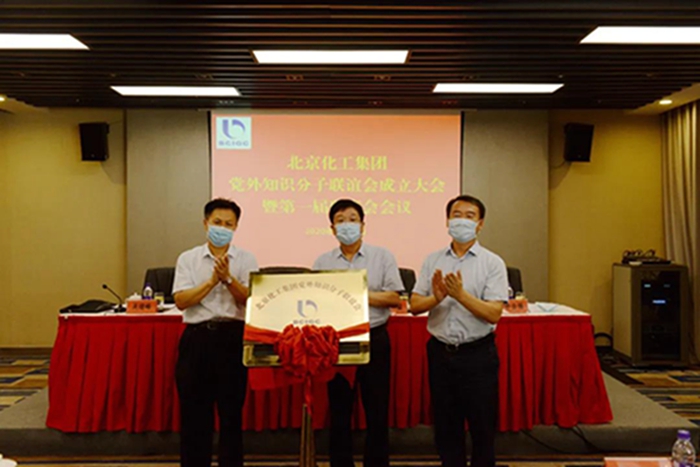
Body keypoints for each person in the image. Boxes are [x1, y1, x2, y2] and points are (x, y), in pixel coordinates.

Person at [410, 195, 508, 467]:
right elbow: (415, 306)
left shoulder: (492, 263)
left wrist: (460, 295)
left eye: (469, 215)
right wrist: (437, 297)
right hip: (440, 354)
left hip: (477, 355)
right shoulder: (433, 259)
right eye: (456, 214)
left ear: (480, 224)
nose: (461, 220)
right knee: (446, 428)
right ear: (447, 221)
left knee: (482, 427)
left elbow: (494, 313)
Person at [313, 198, 404, 467]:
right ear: (332, 228)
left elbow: (394, 298)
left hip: (374, 337)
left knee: (377, 409)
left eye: (352, 220)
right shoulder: (322, 261)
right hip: (338, 342)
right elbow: (318, 301)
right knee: (339, 410)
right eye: (340, 221)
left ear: (363, 225)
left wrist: (355, 293)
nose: (347, 225)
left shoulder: (382, 256)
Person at [172, 198, 258, 467]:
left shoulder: (246, 259)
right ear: (205, 223)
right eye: (217, 222)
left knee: (231, 415)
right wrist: (212, 282)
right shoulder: (188, 258)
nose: (222, 228)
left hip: (232, 338)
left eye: (228, 224)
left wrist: (229, 279)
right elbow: (181, 300)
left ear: (236, 227)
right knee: (194, 415)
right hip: (197, 339)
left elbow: (251, 299)